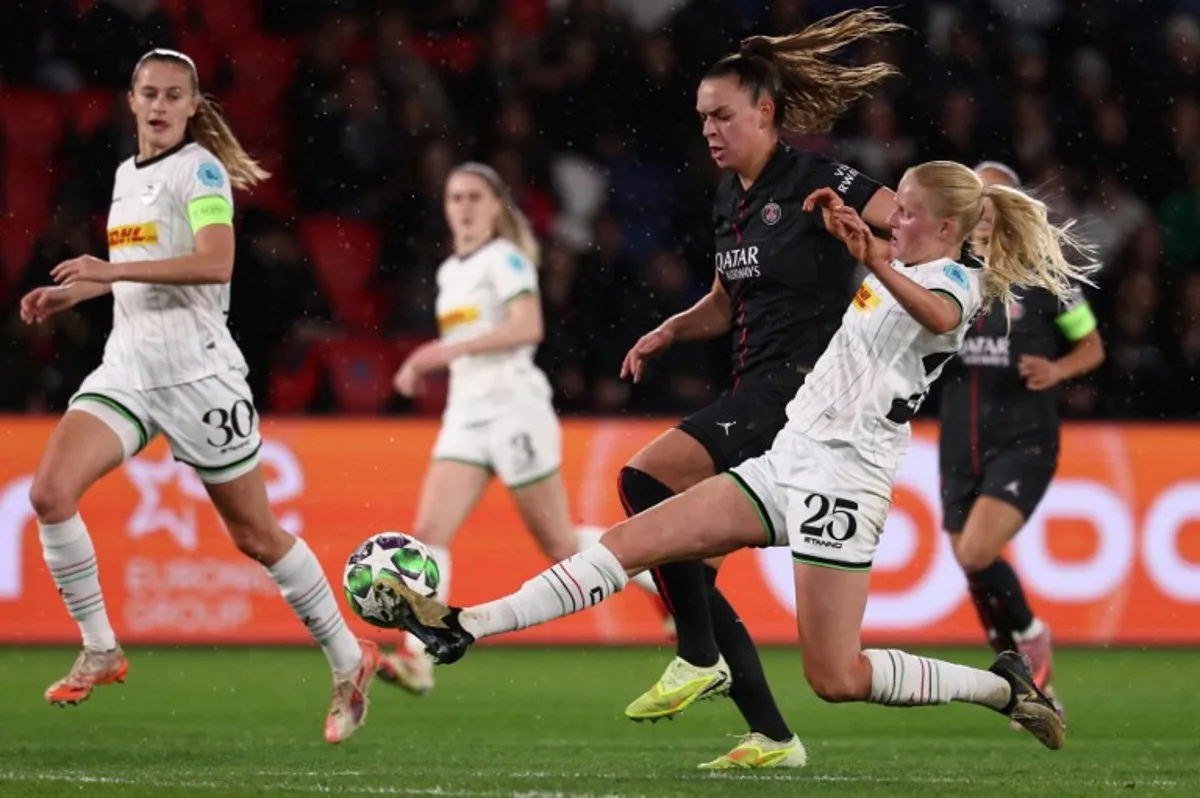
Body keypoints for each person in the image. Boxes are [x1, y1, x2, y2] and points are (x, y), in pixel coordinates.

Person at [377, 160, 1098, 760]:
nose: (892, 218)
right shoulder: (895, 265)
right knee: (633, 539)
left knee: (836, 675)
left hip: (846, 484)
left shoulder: (958, 285)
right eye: (894, 209)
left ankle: (1003, 684)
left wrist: (873, 256)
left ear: (946, 227)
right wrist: (860, 252)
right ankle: (463, 624)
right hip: (788, 460)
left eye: (905, 211)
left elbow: (937, 317)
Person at [18, 49, 380, 743]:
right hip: (128, 368)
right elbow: (139, 273)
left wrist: (107, 266)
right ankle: (101, 647)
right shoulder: (128, 174)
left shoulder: (202, 172)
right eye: (147, 93)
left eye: (172, 96)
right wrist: (81, 289)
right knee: (50, 494)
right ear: (130, 100)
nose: (158, 105)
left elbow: (216, 262)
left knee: (256, 535)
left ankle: (347, 657)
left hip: (196, 377)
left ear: (191, 107)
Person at [615, 8, 903, 769]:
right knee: (691, 570)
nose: (709, 129)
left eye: (723, 115)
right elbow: (724, 297)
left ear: (766, 112)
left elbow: (907, 225)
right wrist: (671, 330)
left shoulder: (818, 177)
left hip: (801, 390)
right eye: (702, 117)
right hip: (759, 385)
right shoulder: (729, 197)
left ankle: (699, 658)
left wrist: (874, 248)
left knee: (645, 480)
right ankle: (774, 737)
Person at [380, 161, 660, 694]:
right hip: (466, 413)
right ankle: (418, 655)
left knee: (558, 543)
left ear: (494, 208)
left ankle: (662, 579)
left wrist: (436, 353)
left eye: (473, 198)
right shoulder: (450, 272)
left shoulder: (504, 260)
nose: (462, 207)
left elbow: (527, 327)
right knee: (431, 533)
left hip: (513, 409)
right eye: (454, 197)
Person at [938, 161, 1105, 719]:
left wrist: (1057, 371)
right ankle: (1029, 691)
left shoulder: (1043, 278)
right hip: (959, 442)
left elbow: (1092, 347)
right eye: (976, 197)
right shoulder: (949, 273)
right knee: (972, 566)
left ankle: (1032, 634)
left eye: (994, 197)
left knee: (978, 550)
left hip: (1024, 438)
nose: (984, 208)